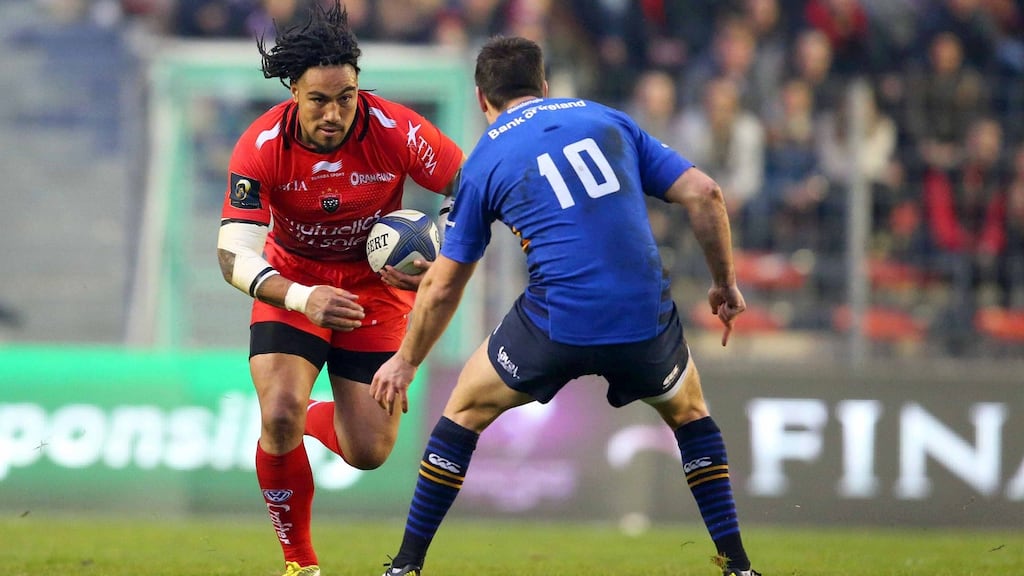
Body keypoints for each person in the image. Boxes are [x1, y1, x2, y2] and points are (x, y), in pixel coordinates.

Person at [370, 36, 759, 576]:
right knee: (691, 415)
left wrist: (407, 361)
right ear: (544, 86)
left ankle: (406, 566)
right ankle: (738, 567)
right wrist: (725, 284)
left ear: (482, 98)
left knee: (462, 412)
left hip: (558, 319)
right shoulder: (609, 120)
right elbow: (707, 194)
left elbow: (445, 285)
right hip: (642, 315)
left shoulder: (485, 156)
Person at [215, 3, 464, 575]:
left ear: (359, 88)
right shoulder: (260, 146)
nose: (334, 113)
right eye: (319, 100)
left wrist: (442, 247)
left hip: (375, 292)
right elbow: (233, 256)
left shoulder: (398, 129)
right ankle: (300, 563)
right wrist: (302, 298)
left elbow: (471, 184)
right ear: (293, 93)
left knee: (369, 452)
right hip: (293, 284)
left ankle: (310, 414)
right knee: (278, 413)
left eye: (345, 97)